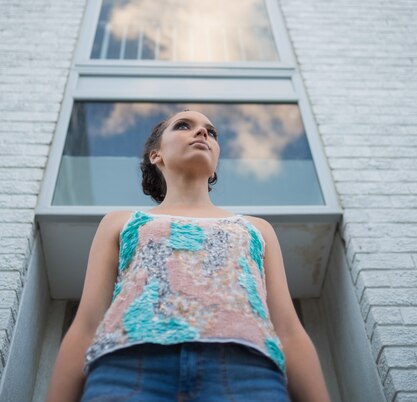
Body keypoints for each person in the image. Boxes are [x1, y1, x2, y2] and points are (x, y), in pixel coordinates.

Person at [46, 109, 331, 402]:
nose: (202, 133)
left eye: (211, 131)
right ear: (156, 155)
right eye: (184, 126)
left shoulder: (256, 229)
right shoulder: (120, 222)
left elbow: (289, 330)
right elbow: (87, 324)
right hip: (127, 368)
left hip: (247, 373)